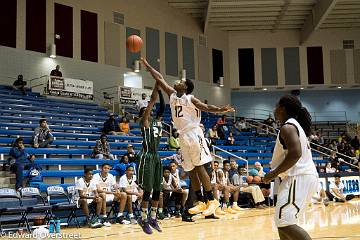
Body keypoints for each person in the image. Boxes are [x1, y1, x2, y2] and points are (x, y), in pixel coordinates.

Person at [141, 57, 234, 217]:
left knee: (199, 167)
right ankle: (201, 201)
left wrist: (220, 109)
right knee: (190, 169)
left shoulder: (190, 98)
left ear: (185, 88)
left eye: (181, 82)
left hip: (194, 133)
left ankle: (212, 200)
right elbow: (159, 78)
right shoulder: (172, 95)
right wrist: (148, 66)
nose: (177, 82)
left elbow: (205, 107)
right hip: (183, 135)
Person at [263, 95, 319, 240]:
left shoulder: (288, 127)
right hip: (298, 177)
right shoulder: (295, 125)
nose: (274, 110)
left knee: (285, 223)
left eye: (276, 107)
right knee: (283, 223)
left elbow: (295, 154)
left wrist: (273, 173)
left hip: (297, 177)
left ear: (282, 109)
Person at [136, 83, 165, 234]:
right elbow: (150, 108)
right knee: (147, 190)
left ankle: (153, 218)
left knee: (157, 189)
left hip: (156, 157)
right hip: (147, 156)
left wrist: (159, 91)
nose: (149, 111)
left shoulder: (157, 122)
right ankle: (143, 218)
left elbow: (162, 108)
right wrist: (153, 96)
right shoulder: (144, 122)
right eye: (145, 111)